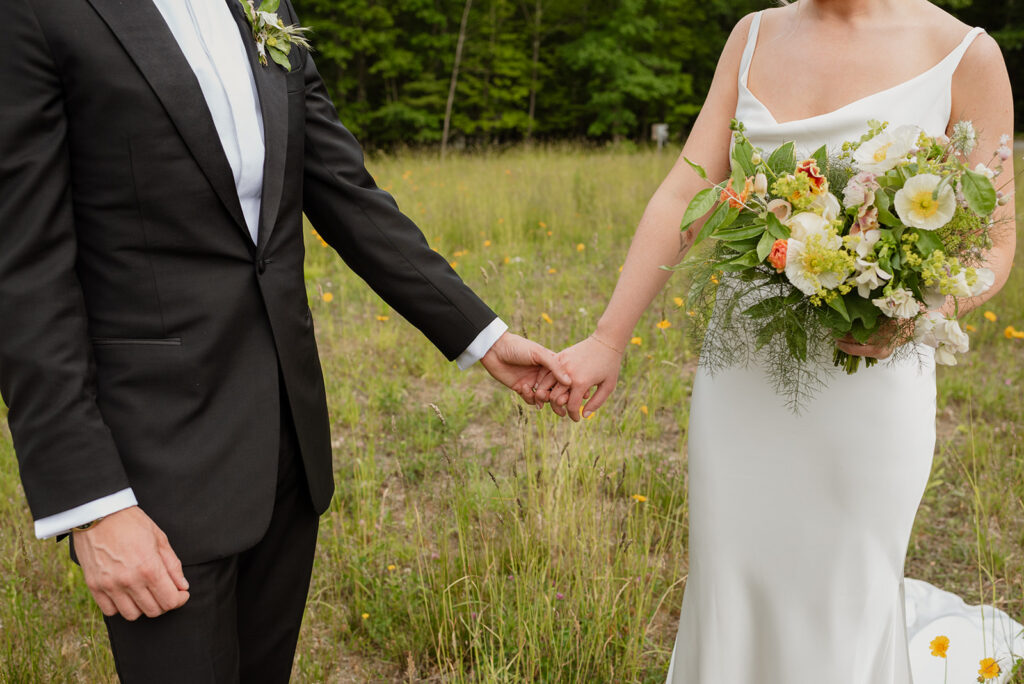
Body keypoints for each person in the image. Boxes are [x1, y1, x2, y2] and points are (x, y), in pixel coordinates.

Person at [0, 0, 570, 681]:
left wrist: (483, 337)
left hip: (285, 450)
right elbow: (23, 273)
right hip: (151, 465)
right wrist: (91, 506)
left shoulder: (265, 4)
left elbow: (341, 188)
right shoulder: (33, 13)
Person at [531, 0, 1019, 681]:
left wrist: (914, 307)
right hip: (744, 373)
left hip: (872, 380)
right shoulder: (752, 34)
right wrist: (608, 339)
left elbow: (995, 241)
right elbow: (684, 193)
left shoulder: (965, 53)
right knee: (733, 579)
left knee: (847, 590)